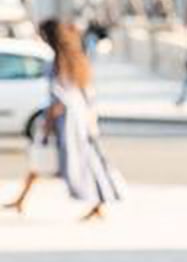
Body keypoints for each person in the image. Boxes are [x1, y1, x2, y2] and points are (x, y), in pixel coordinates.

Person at [4, 19, 123, 221]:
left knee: (69, 158)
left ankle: (100, 200)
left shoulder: (60, 61)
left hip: (66, 121)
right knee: (74, 157)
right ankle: (21, 199)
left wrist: (49, 121)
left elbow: (62, 97)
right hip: (79, 118)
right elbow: (86, 93)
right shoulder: (76, 58)